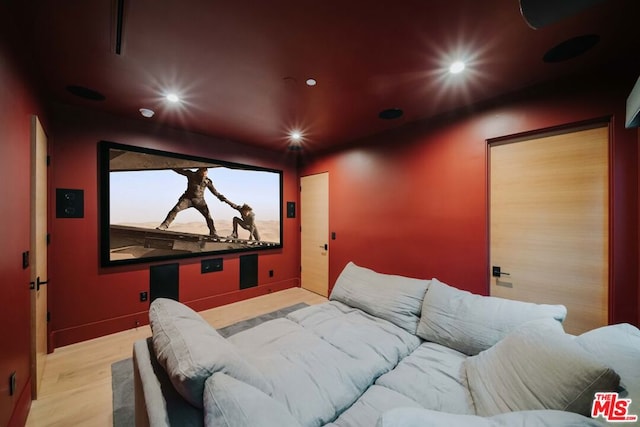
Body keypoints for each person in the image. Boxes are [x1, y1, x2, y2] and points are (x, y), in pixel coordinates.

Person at [157, 168, 226, 236]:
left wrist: (220, 196)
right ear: (199, 171)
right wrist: (171, 166)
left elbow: (214, 191)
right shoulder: (191, 175)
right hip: (187, 199)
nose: (204, 175)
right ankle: (164, 225)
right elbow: (180, 171)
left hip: (200, 201)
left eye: (205, 173)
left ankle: (213, 232)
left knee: (208, 216)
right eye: (203, 173)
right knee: (176, 209)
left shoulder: (207, 181)